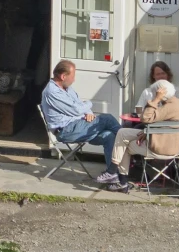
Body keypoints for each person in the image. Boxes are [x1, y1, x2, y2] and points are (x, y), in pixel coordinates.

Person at [39, 59, 127, 187]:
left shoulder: (67, 89)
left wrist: (89, 113)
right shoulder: (52, 92)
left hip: (80, 126)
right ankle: (128, 141)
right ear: (63, 76)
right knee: (107, 118)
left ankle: (112, 174)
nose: (74, 80)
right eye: (72, 76)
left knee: (109, 136)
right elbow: (76, 109)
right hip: (66, 131)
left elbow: (80, 105)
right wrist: (89, 104)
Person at [114, 74, 179, 179]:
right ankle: (113, 172)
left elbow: (145, 118)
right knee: (123, 132)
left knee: (126, 144)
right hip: (168, 142)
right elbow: (165, 124)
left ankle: (118, 177)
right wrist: (146, 131)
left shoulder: (168, 105)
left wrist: (155, 100)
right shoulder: (177, 102)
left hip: (162, 147)